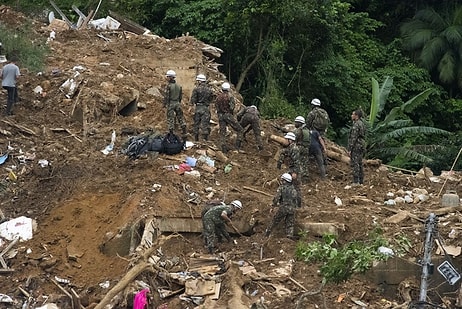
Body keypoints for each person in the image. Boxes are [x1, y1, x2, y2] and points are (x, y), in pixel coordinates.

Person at [265, 173, 301, 239]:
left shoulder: (281, 188)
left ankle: (267, 233)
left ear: (284, 180)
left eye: (282, 180)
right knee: (290, 224)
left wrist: (273, 206)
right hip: (292, 209)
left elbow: (276, 198)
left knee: (275, 221)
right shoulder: (293, 189)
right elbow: (297, 199)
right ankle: (289, 236)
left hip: (283, 208)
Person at [215, 82, 243, 153]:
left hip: (220, 116)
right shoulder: (230, 96)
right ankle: (237, 147)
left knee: (222, 132)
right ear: (228, 89)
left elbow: (217, 107)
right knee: (240, 129)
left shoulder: (218, 97)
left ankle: (223, 148)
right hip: (228, 115)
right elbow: (232, 107)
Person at [190, 74, 213, 141]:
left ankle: (196, 140)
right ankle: (205, 140)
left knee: (196, 124)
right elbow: (211, 99)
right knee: (205, 125)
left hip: (198, 108)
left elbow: (193, 100)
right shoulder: (209, 90)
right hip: (206, 108)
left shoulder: (196, 89)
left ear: (200, 81)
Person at [163, 70, 187, 136]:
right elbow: (180, 97)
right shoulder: (179, 86)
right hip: (177, 103)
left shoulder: (169, 86)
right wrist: (178, 102)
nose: (167, 78)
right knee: (180, 117)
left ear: (170, 77)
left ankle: (171, 132)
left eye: (168, 77)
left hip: (171, 103)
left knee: (170, 118)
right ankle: (184, 130)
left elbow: (167, 96)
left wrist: (165, 104)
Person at [348, 109, 366, 185]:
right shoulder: (362, 124)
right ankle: (361, 180)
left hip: (356, 145)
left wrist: (349, 148)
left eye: (353, 114)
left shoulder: (356, 125)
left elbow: (353, 137)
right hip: (361, 144)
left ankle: (356, 181)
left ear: (357, 116)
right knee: (360, 162)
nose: (352, 116)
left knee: (355, 163)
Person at [293, 116, 310, 182]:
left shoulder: (298, 131)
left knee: (296, 162)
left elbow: (293, 139)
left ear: (299, 123)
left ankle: (296, 177)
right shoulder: (307, 130)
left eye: (296, 122)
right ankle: (305, 177)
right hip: (306, 148)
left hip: (299, 148)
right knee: (304, 163)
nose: (295, 123)